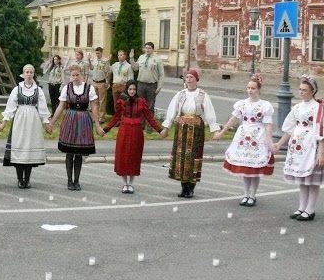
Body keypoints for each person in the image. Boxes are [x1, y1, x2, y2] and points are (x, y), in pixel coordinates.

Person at [213, 74, 274, 207]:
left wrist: (270, 142)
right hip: (243, 136)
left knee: (255, 168)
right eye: (248, 88)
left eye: (253, 88)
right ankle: (246, 194)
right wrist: (221, 133)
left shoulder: (264, 105)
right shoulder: (242, 104)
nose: (250, 90)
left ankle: (253, 195)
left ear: (258, 89)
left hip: (257, 137)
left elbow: (268, 124)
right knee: (245, 168)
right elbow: (233, 120)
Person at [161, 69, 220, 198]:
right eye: (187, 77)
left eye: (191, 77)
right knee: (181, 157)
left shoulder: (203, 95)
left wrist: (215, 130)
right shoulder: (180, 94)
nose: (189, 79)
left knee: (193, 156)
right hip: (182, 129)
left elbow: (210, 113)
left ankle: (191, 187)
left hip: (196, 130)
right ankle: (184, 187)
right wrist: (166, 127)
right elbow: (172, 110)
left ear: (196, 79)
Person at [272, 75, 324, 221]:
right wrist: (279, 144)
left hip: (312, 146)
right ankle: (302, 207)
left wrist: (321, 153)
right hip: (298, 147)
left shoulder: (319, 108)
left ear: (313, 91)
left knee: (312, 180)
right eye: (300, 89)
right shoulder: (297, 107)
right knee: (302, 179)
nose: (301, 92)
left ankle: (310, 209)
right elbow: (289, 129)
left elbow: (321, 132)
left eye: (304, 90)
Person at [48, 65, 104, 191]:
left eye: (77, 75)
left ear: (81, 74)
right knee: (69, 152)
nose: (75, 77)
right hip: (70, 119)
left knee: (79, 153)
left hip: (84, 120)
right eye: (72, 75)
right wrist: (52, 122)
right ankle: (69, 181)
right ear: (70, 76)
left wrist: (97, 125)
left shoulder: (89, 88)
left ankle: (77, 181)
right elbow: (61, 106)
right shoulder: (67, 88)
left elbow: (94, 107)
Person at [103, 80, 164, 194]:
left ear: (136, 90)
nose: (132, 91)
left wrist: (160, 130)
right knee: (123, 156)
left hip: (136, 132)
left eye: (134, 89)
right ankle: (125, 183)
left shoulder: (141, 102)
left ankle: (130, 183)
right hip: (124, 131)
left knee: (134, 157)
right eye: (130, 89)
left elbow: (149, 118)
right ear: (127, 89)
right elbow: (116, 118)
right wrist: (105, 129)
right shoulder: (121, 101)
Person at [0, 64, 50, 189]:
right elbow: (10, 107)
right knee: (20, 147)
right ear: (23, 74)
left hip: (33, 120)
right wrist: (4, 122)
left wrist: (46, 123)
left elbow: (43, 109)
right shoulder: (17, 89)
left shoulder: (38, 90)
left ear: (33, 74)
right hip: (20, 119)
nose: (29, 74)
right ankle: (20, 179)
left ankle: (27, 179)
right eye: (27, 72)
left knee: (29, 149)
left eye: (31, 72)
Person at [129, 43, 164, 117]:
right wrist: (131, 59)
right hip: (141, 85)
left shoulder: (157, 59)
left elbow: (161, 74)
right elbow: (135, 68)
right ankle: (140, 122)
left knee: (150, 106)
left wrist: (159, 87)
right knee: (140, 105)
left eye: (149, 48)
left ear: (153, 49)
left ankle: (149, 123)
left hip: (152, 85)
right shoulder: (141, 57)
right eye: (146, 48)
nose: (147, 50)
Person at [89, 47, 111, 122]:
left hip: (102, 83)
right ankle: (96, 116)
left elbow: (108, 72)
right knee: (95, 100)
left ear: (101, 53)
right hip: (94, 82)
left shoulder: (105, 61)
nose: (97, 54)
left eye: (98, 53)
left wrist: (107, 82)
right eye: (96, 53)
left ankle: (101, 117)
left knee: (102, 101)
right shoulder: (94, 60)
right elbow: (91, 68)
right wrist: (89, 60)